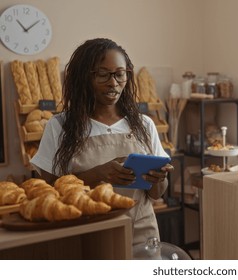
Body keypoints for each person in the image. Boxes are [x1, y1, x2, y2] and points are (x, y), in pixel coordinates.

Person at [30, 38, 173, 258]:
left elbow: (155, 194)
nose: (113, 83)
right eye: (103, 74)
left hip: (141, 233)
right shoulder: (60, 126)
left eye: (120, 73)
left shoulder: (144, 124)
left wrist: (159, 178)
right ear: (83, 77)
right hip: (85, 234)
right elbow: (49, 193)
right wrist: (97, 174)